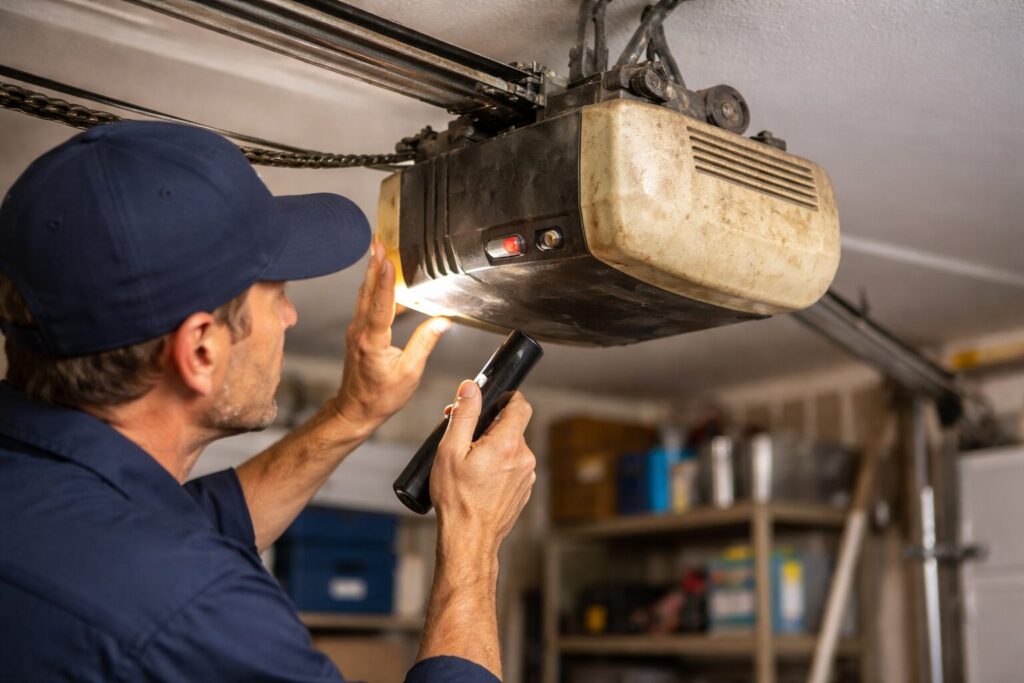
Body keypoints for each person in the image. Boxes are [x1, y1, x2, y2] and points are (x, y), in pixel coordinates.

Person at [0, 121, 537, 682]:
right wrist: (472, 537)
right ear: (201, 351)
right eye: (277, 294)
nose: (290, 316)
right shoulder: (200, 613)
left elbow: (195, 524)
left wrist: (354, 412)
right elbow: (168, 572)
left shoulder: (44, 489)